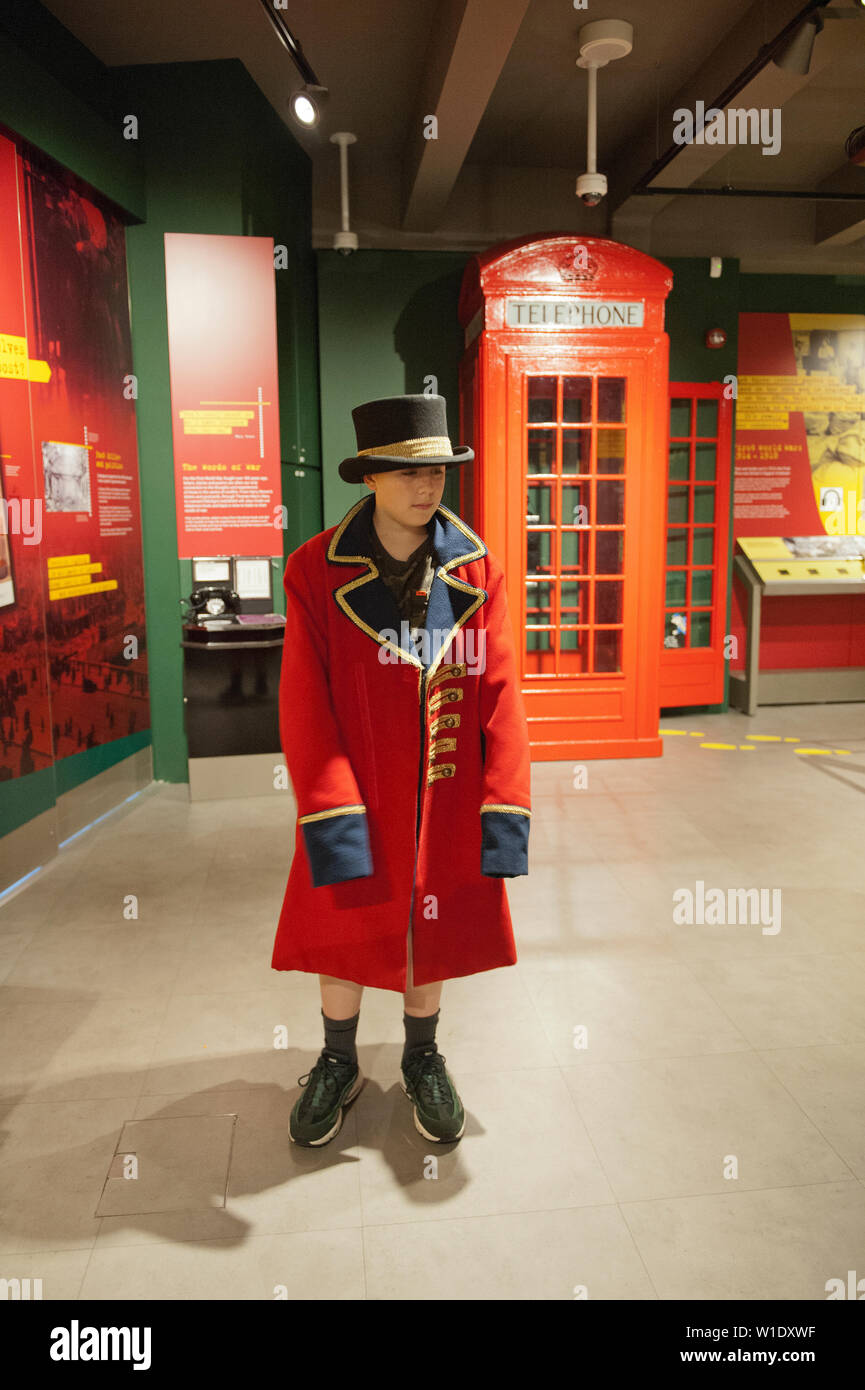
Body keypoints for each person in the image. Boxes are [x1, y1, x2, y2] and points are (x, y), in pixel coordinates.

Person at [272, 393, 531, 1148]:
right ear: (370, 477)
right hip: (353, 791)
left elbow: (502, 696)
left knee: (434, 919)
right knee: (343, 922)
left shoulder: (478, 569)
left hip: (446, 796)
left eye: (439, 474)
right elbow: (303, 704)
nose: (427, 489)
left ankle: (423, 1056)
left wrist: (502, 805)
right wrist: (329, 806)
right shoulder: (313, 570)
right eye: (406, 472)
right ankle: (336, 1059)